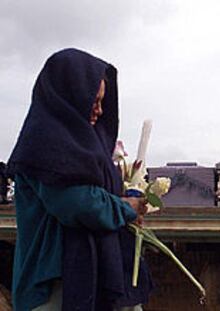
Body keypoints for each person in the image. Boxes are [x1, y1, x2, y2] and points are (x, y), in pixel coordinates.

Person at [7, 48, 152, 311]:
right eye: (92, 101)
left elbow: (98, 194)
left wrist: (129, 201)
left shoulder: (83, 148)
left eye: (101, 102)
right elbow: (77, 204)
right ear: (68, 96)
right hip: (52, 286)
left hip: (88, 278)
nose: (98, 111)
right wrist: (125, 208)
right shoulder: (44, 144)